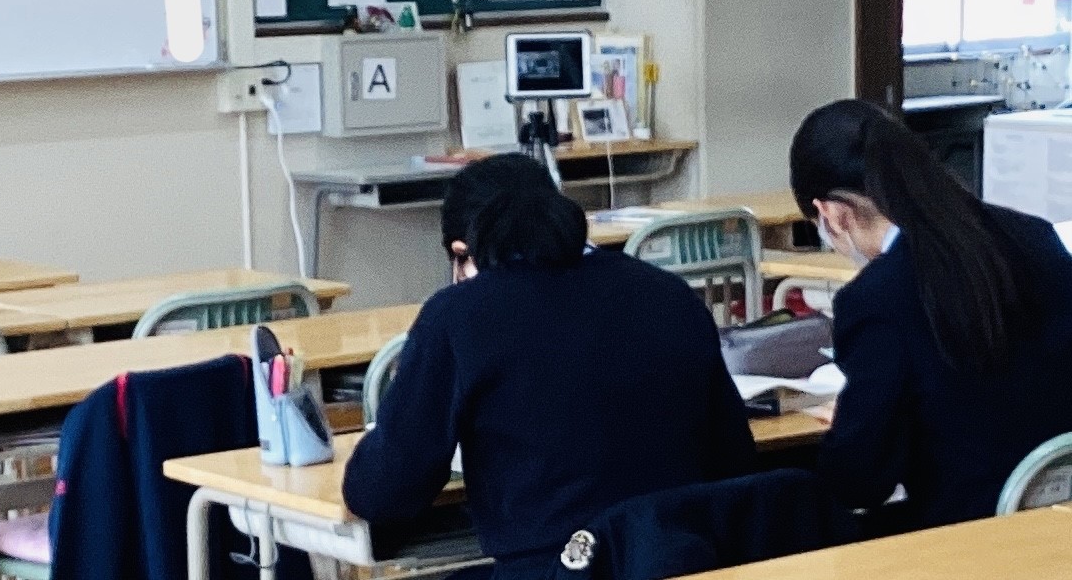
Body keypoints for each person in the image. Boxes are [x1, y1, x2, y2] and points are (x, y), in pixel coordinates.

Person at [343, 154, 756, 578]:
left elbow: (384, 492)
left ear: (462, 251)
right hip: (684, 561)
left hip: (556, 568)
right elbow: (734, 461)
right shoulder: (668, 293)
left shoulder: (458, 316)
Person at [790, 99, 1072, 529]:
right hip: (1059, 515)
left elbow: (861, 481)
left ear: (834, 213)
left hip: (964, 530)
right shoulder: (1035, 236)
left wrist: (851, 425)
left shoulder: (877, 297)